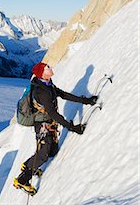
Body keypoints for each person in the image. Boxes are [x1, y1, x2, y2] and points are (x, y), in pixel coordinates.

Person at [13, 62, 98, 195]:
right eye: (48, 68)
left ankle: (28, 165)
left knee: (52, 151)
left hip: (48, 122)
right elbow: (53, 113)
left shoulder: (48, 84)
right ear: (42, 74)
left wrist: (85, 101)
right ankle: (22, 180)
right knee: (43, 155)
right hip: (43, 125)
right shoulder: (42, 91)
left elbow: (63, 94)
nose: (51, 68)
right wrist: (72, 127)